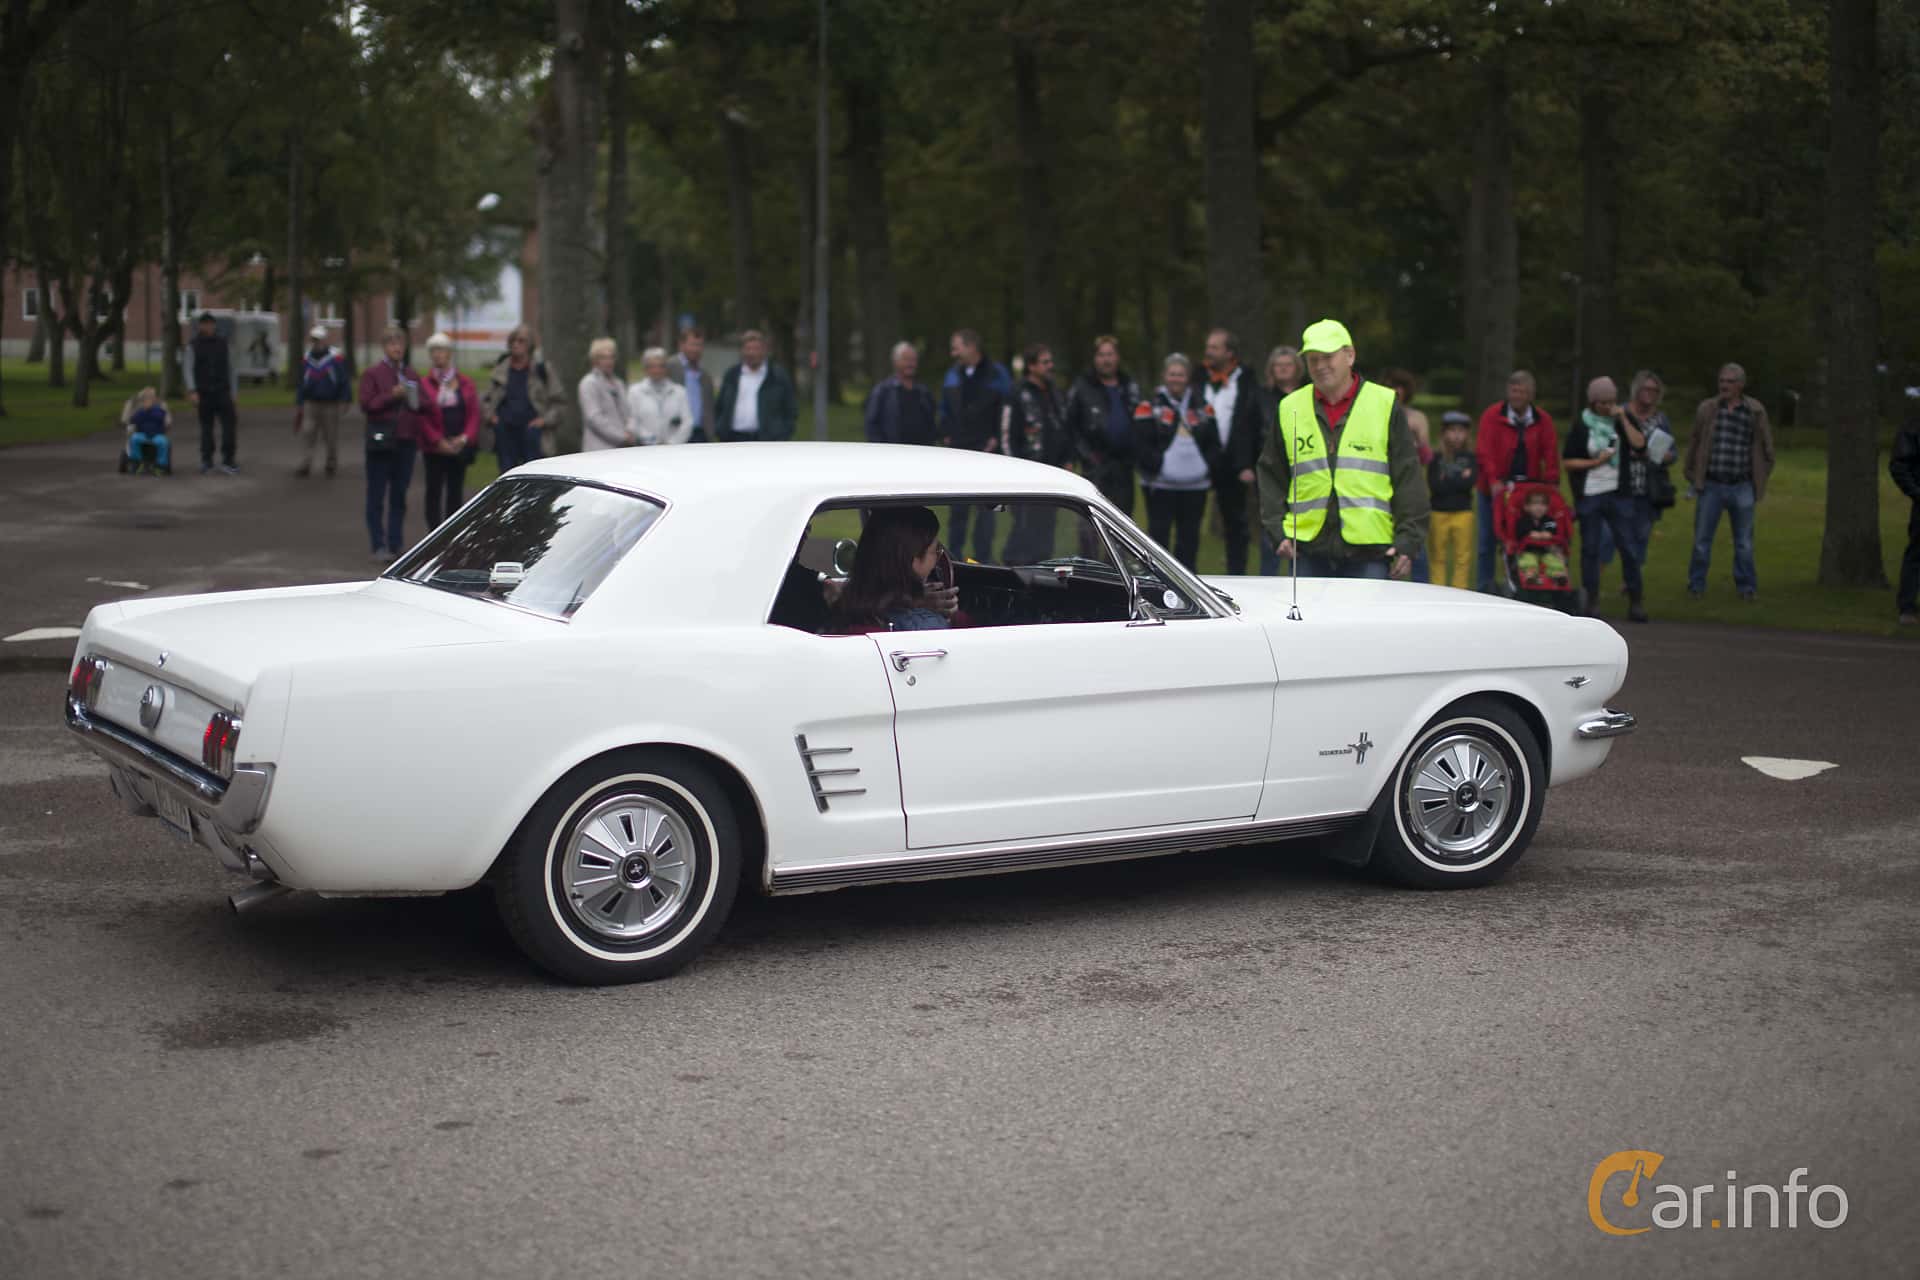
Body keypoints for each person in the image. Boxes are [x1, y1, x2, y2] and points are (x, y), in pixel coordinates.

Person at [1258, 318, 1429, 579]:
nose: (1319, 366)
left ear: (1349, 356)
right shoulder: (1290, 407)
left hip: (1370, 549)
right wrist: (1276, 531)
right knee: (1310, 621)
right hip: (1307, 549)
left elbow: (1408, 475)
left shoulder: (1383, 403)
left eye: (1327, 357)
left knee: (1366, 621)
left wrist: (1408, 540)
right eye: (1313, 359)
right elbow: (1271, 473)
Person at [1684, 362, 1775, 600]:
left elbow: (1767, 449)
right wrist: (1693, 475)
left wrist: (1760, 478)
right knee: (1702, 540)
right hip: (1711, 484)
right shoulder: (1708, 409)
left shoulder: (1754, 411)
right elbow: (1694, 442)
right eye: (1722, 381)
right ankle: (1696, 585)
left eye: (1730, 382)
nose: (1724, 385)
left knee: (1744, 542)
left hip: (1742, 484)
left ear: (1741, 385)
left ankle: (1746, 587)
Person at [1563, 376, 1648, 622]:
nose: (1608, 407)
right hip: (1590, 494)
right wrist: (1595, 462)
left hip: (1619, 494)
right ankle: (1591, 600)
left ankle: (1636, 600)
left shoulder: (1622, 418)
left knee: (1628, 547)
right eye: (1603, 403)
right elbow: (1568, 461)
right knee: (1590, 548)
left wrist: (1621, 417)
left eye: (1611, 402)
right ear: (1593, 402)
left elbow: (1640, 445)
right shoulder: (1582, 424)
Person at [1474, 370, 1559, 592]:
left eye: (1522, 391)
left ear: (1531, 394)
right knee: (1487, 541)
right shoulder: (1492, 416)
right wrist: (1493, 481)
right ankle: (1484, 586)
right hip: (1492, 489)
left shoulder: (1542, 420)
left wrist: (1551, 484)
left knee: (1522, 538)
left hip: (1526, 492)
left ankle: (1524, 584)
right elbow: (1484, 451)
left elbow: (1550, 453)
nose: (1517, 396)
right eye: (1514, 391)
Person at [1132, 353, 1218, 572]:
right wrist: (1158, 467)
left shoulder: (1203, 405)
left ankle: (1188, 587)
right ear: (1164, 376)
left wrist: (1207, 467)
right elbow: (1140, 442)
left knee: (1188, 540)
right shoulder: (1149, 405)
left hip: (1195, 487)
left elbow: (1213, 442)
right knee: (1158, 538)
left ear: (1187, 377)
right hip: (1160, 486)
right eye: (1172, 374)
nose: (1176, 379)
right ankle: (1156, 582)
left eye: (1180, 374)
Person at [936, 328, 1013, 562]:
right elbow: (944, 410)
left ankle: (984, 560)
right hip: (958, 453)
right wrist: (946, 435)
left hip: (988, 454)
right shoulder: (952, 375)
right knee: (957, 512)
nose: (953, 353)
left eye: (956, 347)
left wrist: (996, 439)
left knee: (986, 513)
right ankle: (955, 560)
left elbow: (1008, 409)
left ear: (971, 347)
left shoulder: (997, 374)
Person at [357, 326, 424, 560]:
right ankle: (378, 544)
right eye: (392, 343)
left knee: (399, 495)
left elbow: (422, 404)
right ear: (384, 347)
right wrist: (391, 395)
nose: (397, 348)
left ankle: (396, 544)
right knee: (376, 495)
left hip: (406, 442)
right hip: (381, 442)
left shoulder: (412, 374)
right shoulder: (373, 374)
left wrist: (416, 399)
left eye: (400, 343)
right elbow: (367, 404)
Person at [1200, 328, 1264, 575]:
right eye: (1209, 346)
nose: (1209, 352)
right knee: (1190, 522)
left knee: (1236, 524)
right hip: (1202, 460)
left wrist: (1247, 463)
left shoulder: (1246, 379)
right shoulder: (1199, 378)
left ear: (1229, 352)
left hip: (1234, 464)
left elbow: (1250, 424)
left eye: (1215, 347)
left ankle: (1237, 575)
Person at [832, 506, 953, 633]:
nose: (938, 559)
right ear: (914, 558)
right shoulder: (926, 625)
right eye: (935, 551)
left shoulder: (844, 608)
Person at [1062, 336, 1143, 518]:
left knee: (1122, 521)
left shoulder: (1129, 385)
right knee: (1091, 522)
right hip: (1095, 466)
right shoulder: (1082, 386)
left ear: (1117, 357)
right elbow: (1070, 426)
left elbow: (1139, 423)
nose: (1106, 360)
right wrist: (1086, 456)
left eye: (1110, 354)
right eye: (1101, 355)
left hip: (1124, 467)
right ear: (1095, 359)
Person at [1003, 343, 1069, 561]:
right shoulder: (1017, 394)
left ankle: (1043, 566)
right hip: (1027, 473)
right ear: (1031, 366)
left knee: (1047, 526)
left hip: (1052, 472)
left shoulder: (1055, 393)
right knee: (1025, 527)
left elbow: (1063, 427)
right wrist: (1013, 469)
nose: (1051, 366)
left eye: (1051, 361)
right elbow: (1007, 435)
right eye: (1045, 362)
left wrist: (1067, 458)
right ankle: (1016, 566)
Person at [418, 332, 480, 528]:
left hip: (458, 445)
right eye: (434, 351)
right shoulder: (425, 384)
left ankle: (452, 533)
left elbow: (474, 413)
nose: (438, 355)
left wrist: (464, 438)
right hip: (435, 448)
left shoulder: (465, 382)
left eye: (441, 350)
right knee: (433, 492)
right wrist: (437, 441)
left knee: (455, 491)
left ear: (449, 353)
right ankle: (433, 533)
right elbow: (421, 416)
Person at [483, 325, 564, 473]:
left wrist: (544, 421)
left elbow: (558, 402)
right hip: (505, 432)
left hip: (533, 433)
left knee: (534, 477)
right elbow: (486, 399)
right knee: (508, 477)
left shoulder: (542, 370)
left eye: (521, 341)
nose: (516, 344)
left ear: (530, 345)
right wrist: (491, 417)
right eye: (513, 341)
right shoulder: (500, 370)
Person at [1255, 346, 1305, 576]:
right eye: (1278, 365)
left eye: (1288, 364)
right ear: (1271, 369)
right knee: (1271, 532)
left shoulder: (1310, 397)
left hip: (1304, 472)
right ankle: (1269, 581)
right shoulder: (1260, 397)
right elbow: (1247, 432)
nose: (1283, 369)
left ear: (1297, 368)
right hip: (1272, 470)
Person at [1383, 370, 1434, 582]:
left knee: (1414, 534)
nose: (1396, 392)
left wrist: (1415, 442)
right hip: (1384, 485)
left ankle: (1421, 584)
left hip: (1410, 483)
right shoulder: (1378, 415)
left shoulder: (1417, 418)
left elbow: (1427, 456)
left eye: (1400, 388)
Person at [713, 330, 797, 441]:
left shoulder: (777, 376)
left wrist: (782, 434)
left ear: (764, 350)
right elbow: (720, 407)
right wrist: (720, 429)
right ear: (742, 351)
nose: (751, 353)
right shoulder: (732, 375)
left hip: (767, 440)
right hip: (734, 438)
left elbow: (790, 409)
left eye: (756, 349)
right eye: (748, 349)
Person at [184, 311, 239, 474]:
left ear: (214, 325)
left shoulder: (224, 344)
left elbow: (232, 369)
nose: (207, 327)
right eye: (204, 324)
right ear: (200, 326)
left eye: (210, 324)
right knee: (206, 428)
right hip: (204, 392)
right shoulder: (193, 345)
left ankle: (228, 460)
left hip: (223, 391)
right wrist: (192, 390)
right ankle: (206, 460)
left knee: (229, 427)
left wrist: (234, 392)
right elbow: (188, 369)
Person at [292, 324, 350, 478]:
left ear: (325, 340)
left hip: (330, 403)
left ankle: (331, 462)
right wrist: (299, 403)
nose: (316, 342)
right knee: (308, 433)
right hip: (311, 403)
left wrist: (345, 399)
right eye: (313, 340)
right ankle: (306, 463)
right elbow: (301, 383)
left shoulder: (335, 358)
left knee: (330, 435)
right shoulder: (306, 359)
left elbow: (344, 380)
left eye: (318, 339)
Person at [1428, 411, 1476, 588]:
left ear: (1467, 435)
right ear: (1443, 433)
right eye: (1452, 430)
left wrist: (1448, 480)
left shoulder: (1470, 458)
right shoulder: (1436, 458)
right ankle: (1437, 590)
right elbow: (1435, 485)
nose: (1456, 436)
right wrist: (1459, 479)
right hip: (1438, 512)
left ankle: (1459, 592)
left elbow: (1469, 483)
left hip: (1463, 512)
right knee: (1437, 556)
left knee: (1462, 557)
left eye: (1461, 431)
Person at [1625, 369, 1679, 524]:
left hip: (1648, 492)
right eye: (1646, 389)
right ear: (1636, 389)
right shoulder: (1622, 414)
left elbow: (1673, 454)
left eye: (1655, 390)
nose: (1650, 393)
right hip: (1621, 490)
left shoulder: (1661, 420)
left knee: (1640, 541)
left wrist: (1660, 455)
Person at [863, 341, 938, 446]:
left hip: (922, 454)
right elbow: (871, 425)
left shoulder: (923, 392)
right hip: (893, 455)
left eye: (913, 360)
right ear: (895, 362)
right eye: (906, 360)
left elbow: (931, 423)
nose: (911, 364)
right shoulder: (882, 391)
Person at [627, 347, 693, 445]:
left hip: (674, 448)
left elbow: (687, 422)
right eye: (652, 366)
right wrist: (650, 440)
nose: (656, 370)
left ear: (666, 368)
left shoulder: (679, 392)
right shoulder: (635, 392)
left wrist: (672, 443)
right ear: (645, 368)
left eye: (661, 366)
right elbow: (633, 420)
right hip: (645, 448)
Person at [1892, 403, 1920, 625]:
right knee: (1916, 555)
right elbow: (1899, 465)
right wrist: (1917, 493)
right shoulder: (1913, 429)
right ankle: (1907, 608)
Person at [578, 337, 632, 450]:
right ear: (595, 360)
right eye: (603, 357)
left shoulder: (618, 383)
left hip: (622, 447)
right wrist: (621, 436)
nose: (609, 361)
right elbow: (594, 418)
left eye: (611, 357)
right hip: (598, 448)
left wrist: (631, 432)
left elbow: (627, 413)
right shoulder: (589, 383)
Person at [665, 326, 716, 443]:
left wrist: (711, 432)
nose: (696, 349)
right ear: (681, 345)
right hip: (676, 433)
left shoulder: (705, 375)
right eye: (692, 344)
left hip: (701, 434)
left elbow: (709, 406)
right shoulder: (670, 367)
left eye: (699, 345)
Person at [1513, 489, 1571, 586]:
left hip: (1546, 551)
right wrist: (1530, 533)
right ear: (1527, 507)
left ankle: (1559, 575)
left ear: (1547, 507)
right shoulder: (1523, 520)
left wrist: (1548, 534)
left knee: (1554, 561)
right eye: (1535, 504)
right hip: (1528, 551)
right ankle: (1530, 576)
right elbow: (1520, 533)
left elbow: (1552, 531)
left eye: (1542, 505)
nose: (1539, 508)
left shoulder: (1549, 520)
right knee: (1528, 560)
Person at [121, 387, 172, 475]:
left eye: (150, 399)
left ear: (154, 400)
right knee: (134, 439)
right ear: (142, 401)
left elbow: (163, 418)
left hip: (156, 434)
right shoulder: (139, 412)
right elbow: (133, 420)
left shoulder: (159, 410)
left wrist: (152, 410)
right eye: (146, 400)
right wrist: (142, 412)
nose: (148, 402)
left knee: (163, 442)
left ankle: (161, 465)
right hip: (142, 433)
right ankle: (137, 462)